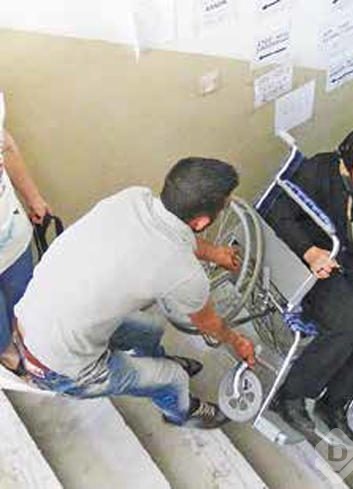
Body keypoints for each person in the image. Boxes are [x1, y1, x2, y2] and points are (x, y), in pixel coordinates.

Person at [13, 157, 256, 429]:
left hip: (31, 320)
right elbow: (209, 324)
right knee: (174, 378)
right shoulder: (185, 273)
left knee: (151, 328)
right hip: (59, 369)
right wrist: (237, 341)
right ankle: (182, 412)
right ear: (200, 222)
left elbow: (175, 234)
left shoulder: (132, 199)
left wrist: (215, 253)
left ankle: (154, 364)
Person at [267, 125, 353, 441]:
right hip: (309, 266)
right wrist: (310, 251)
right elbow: (279, 214)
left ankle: (334, 402)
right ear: (351, 154)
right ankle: (289, 395)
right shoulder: (318, 171)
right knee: (351, 324)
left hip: (345, 267)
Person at [0, 95, 51, 370]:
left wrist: (33, 198)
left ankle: (22, 352)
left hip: (12, 236)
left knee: (25, 310)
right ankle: (10, 360)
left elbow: (5, 146)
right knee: (2, 340)